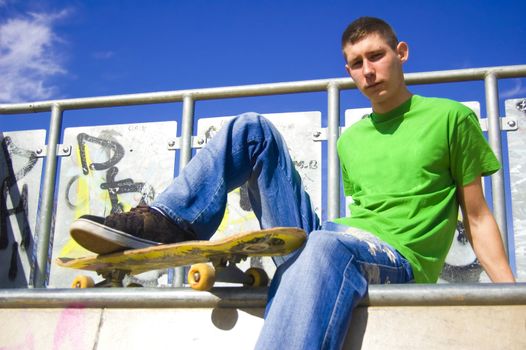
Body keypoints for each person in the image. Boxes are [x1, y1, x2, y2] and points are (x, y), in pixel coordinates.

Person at [70, 16, 515, 350]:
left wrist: (511, 296)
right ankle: (170, 219)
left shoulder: (451, 118)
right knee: (250, 128)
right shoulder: (351, 140)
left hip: (398, 260)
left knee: (324, 246)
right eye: (355, 64)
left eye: (376, 56)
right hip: (338, 238)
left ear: (401, 52)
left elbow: (477, 217)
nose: (367, 72)